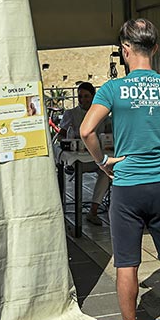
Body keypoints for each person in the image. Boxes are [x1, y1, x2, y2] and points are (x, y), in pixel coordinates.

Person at [79, 18, 160, 320]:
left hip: (128, 185)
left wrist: (103, 161)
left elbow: (86, 130)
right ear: (155, 48)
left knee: (126, 261)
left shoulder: (113, 89)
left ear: (126, 50)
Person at [59, 82, 111, 224]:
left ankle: (94, 209)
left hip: (97, 157)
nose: (83, 100)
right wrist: (70, 142)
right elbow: (61, 135)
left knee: (106, 172)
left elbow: (109, 133)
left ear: (93, 97)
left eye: (86, 96)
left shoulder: (102, 114)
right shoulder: (71, 114)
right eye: (80, 96)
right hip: (78, 159)